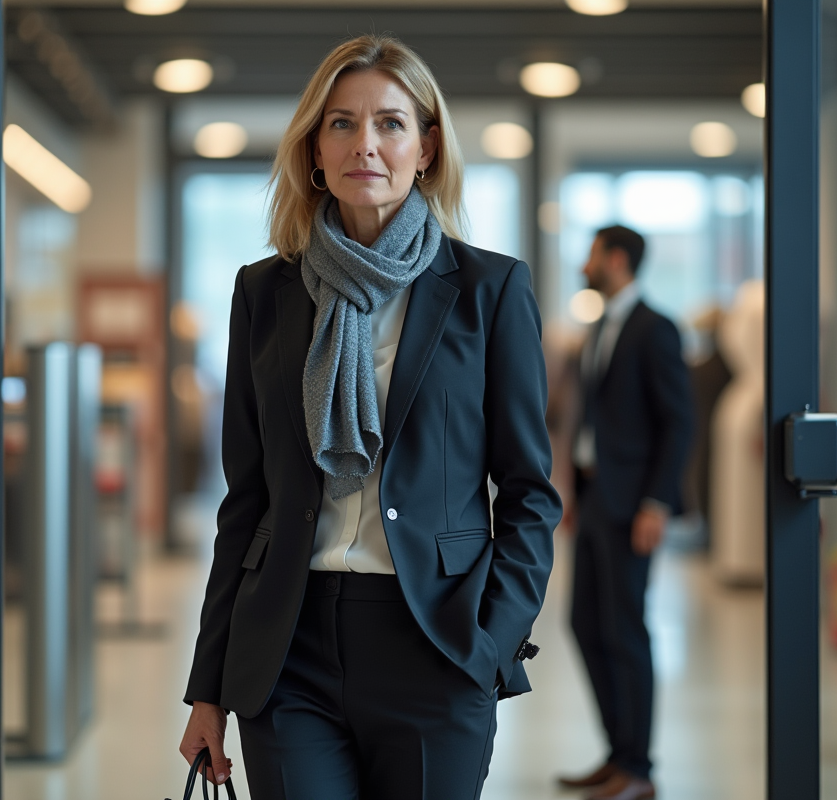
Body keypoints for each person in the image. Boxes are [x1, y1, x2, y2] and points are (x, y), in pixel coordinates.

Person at [178, 34, 562, 800]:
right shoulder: (265, 293)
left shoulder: (489, 291)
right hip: (288, 648)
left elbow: (529, 493)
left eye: (390, 123)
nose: (366, 145)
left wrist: (490, 644)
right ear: (315, 152)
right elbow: (246, 502)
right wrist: (208, 687)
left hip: (435, 641)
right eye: (342, 124)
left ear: (426, 148)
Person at [558, 225, 693, 800]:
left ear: (616, 260)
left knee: (625, 630)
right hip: (594, 498)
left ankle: (639, 769)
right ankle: (618, 755)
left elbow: (678, 423)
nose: (583, 265)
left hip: (632, 504)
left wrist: (656, 503)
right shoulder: (599, 327)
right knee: (584, 623)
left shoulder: (655, 328)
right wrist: (573, 492)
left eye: (591, 255)